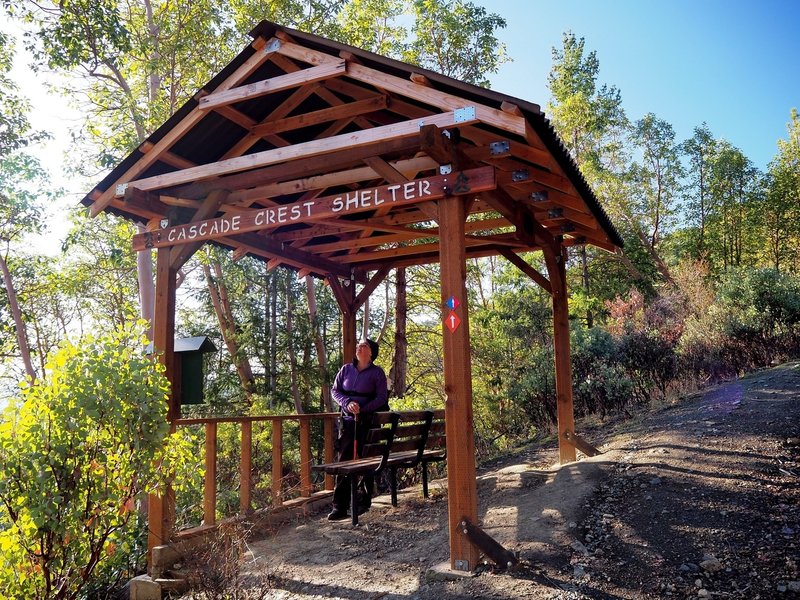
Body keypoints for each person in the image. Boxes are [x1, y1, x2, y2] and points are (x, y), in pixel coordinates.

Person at [327, 338, 388, 521]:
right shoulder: (345, 369)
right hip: (347, 423)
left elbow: (381, 398)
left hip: (368, 423)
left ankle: (363, 502)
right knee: (345, 462)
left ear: (371, 353)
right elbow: (335, 391)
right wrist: (347, 403)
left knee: (367, 461)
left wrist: (363, 409)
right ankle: (339, 506)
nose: (359, 347)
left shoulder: (377, 373)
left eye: (365, 345)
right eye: (358, 345)